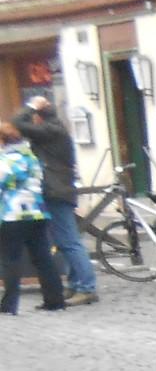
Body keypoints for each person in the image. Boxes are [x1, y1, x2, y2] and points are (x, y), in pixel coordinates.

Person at [14, 96, 97, 305]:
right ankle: (75, 284)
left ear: (38, 118)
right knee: (64, 241)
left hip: (56, 192)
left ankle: (87, 288)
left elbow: (18, 123)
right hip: (58, 190)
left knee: (69, 241)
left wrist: (31, 106)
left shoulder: (50, 131)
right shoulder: (53, 130)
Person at [0, 120, 64, 314]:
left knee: (11, 259)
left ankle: (9, 305)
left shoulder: (7, 160)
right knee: (43, 257)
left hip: (13, 214)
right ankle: (55, 300)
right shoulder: (31, 157)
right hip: (37, 212)